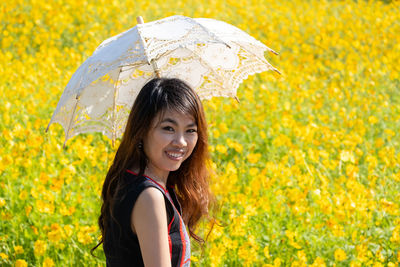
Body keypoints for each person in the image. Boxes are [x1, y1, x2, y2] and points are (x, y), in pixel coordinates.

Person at [92, 78, 214, 267]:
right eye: (168, 128)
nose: (181, 142)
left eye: (190, 130)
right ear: (141, 130)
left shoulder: (133, 179)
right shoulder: (150, 197)